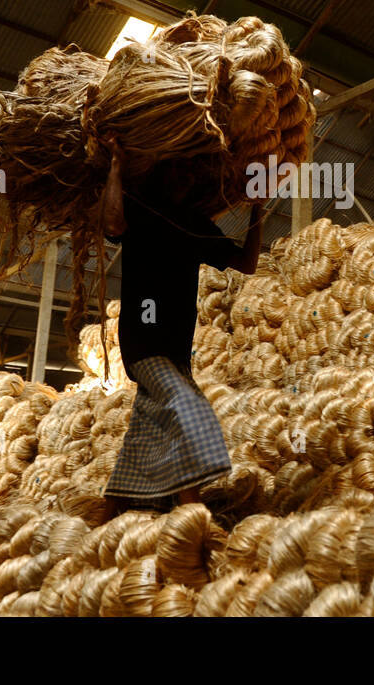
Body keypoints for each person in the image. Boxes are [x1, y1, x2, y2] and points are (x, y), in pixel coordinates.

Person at [97, 135, 262, 519]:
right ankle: (193, 513)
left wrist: (257, 211)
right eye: (180, 169)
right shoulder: (140, 208)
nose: (186, 177)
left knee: (145, 433)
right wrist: (117, 167)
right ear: (165, 172)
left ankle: (108, 512)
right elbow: (111, 222)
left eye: (192, 171)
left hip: (175, 351)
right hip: (143, 343)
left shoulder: (194, 225)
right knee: (189, 409)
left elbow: (246, 263)